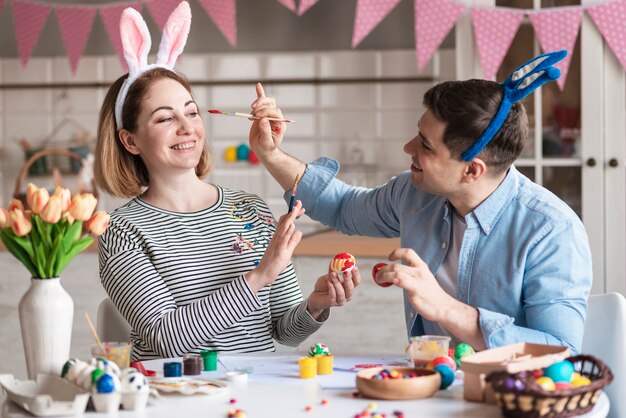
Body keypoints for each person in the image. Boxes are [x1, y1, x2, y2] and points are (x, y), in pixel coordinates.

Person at [248, 50, 592, 353]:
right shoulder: (415, 193)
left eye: (425, 145)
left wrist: (445, 308)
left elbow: (561, 353)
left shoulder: (551, 230)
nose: (408, 148)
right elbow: (341, 207)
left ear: (472, 170)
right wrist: (271, 153)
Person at [93, 2, 360, 360]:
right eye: (164, 119)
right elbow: (166, 338)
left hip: (253, 396)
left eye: (191, 112)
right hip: (176, 396)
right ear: (130, 141)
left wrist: (315, 304)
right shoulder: (122, 230)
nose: (187, 127)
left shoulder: (249, 210)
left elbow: (285, 330)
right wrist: (259, 276)